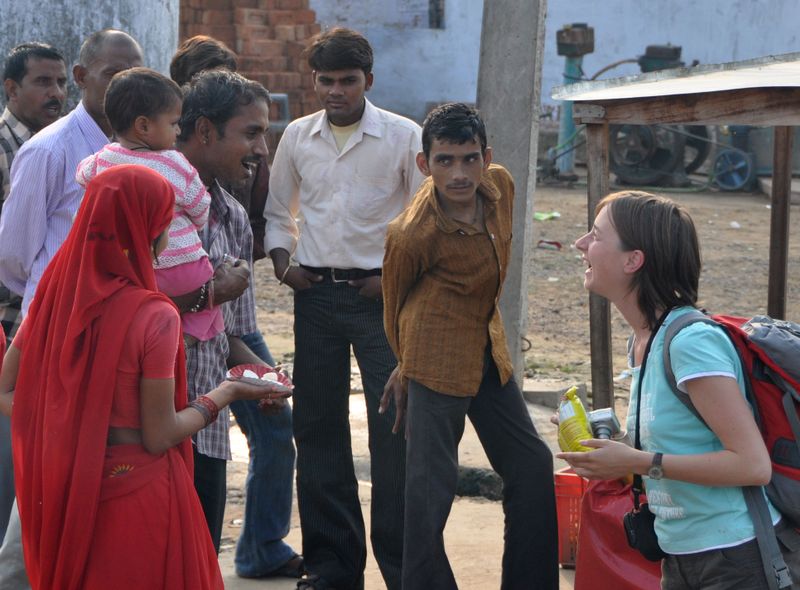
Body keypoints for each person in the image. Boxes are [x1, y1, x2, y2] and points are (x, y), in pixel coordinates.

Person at [2, 165, 289, 589]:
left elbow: (8, 391)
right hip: (137, 496)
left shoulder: (52, 301)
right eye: (167, 220)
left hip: (68, 491)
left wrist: (71, 426)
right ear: (150, 231)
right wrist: (227, 392)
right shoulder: (154, 317)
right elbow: (160, 434)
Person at [558, 191, 800, 589]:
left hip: (738, 559)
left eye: (596, 236)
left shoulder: (690, 343)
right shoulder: (644, 340)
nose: (580, 243)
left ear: (633, 260)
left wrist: (640, 461)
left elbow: (752, 465)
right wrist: (608, 451)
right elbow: (674, 448)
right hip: (681, 557)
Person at [265, 27, 424, 590]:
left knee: (395, 428)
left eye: (347, 81)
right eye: (326, 80)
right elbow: (277, 212)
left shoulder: (404, 136)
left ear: (368, 81)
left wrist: (391, 280)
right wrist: (283, 266)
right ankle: (332, 567)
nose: (336, 91)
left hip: (380, 298)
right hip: (314, 296)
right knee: (317, 428)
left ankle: (404, 570)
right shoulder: (297, 136)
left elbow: (423, 222)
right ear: (314, 82)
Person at [380, 103, 559, 590]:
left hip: (487, 347)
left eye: (469, 158)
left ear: (486, 158)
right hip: (434, 359)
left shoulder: (500, 187)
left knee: (532, 465)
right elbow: (394, 305)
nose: (458, 173)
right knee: (429, 495)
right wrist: (407, 367)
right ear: (425, 164)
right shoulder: (411, 233)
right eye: (445, 160)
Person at [0, 30, 142, 590]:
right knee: (48, 474)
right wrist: (60, 300)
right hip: (55, 336)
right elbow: (13, 257)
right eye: (113, 75)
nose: (125, 86)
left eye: (134, 74)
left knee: (107, 472)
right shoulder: (51, 150)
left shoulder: (143, 148)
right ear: (83, 79)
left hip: (119, 338)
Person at [170, 37, 302, 579]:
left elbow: (228, 333)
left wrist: (263, 378)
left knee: (198, 562)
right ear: (204, 130)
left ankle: (260, 549)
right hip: (148, 427)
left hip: (204, 429)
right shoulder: (148, 199)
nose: (263, 150)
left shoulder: (232, 215)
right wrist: (207, 294)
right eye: (251, 134)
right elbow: (119, 304)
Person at [76, 67, 222, 345]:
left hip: (127, 273)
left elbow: (82, 175)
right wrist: (192, 222)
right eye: (174, 123)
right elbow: (201, 208)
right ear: (143, 126)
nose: (178, 131)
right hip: (184, 269)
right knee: (210, 300)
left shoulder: (103, 159)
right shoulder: (174, 163)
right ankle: (186, 339)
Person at [0, 41, 66, 545]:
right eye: (43, 82)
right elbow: (14, 254)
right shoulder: (10, 148)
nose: (56, 93)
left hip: (37, 323)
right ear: (11, 88)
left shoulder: (58, 146)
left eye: (61, 82)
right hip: (11, 323)